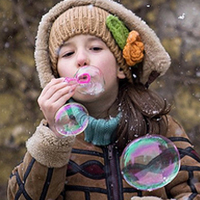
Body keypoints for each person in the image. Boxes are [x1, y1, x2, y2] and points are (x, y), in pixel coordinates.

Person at [7, 0, 200, 199]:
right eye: (68, 53)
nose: (81, 59)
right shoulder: (53, 140)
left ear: (120, 67)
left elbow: (193, 191)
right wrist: (54, 136)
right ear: (57, 78)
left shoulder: (160, 126)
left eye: (96, 48)